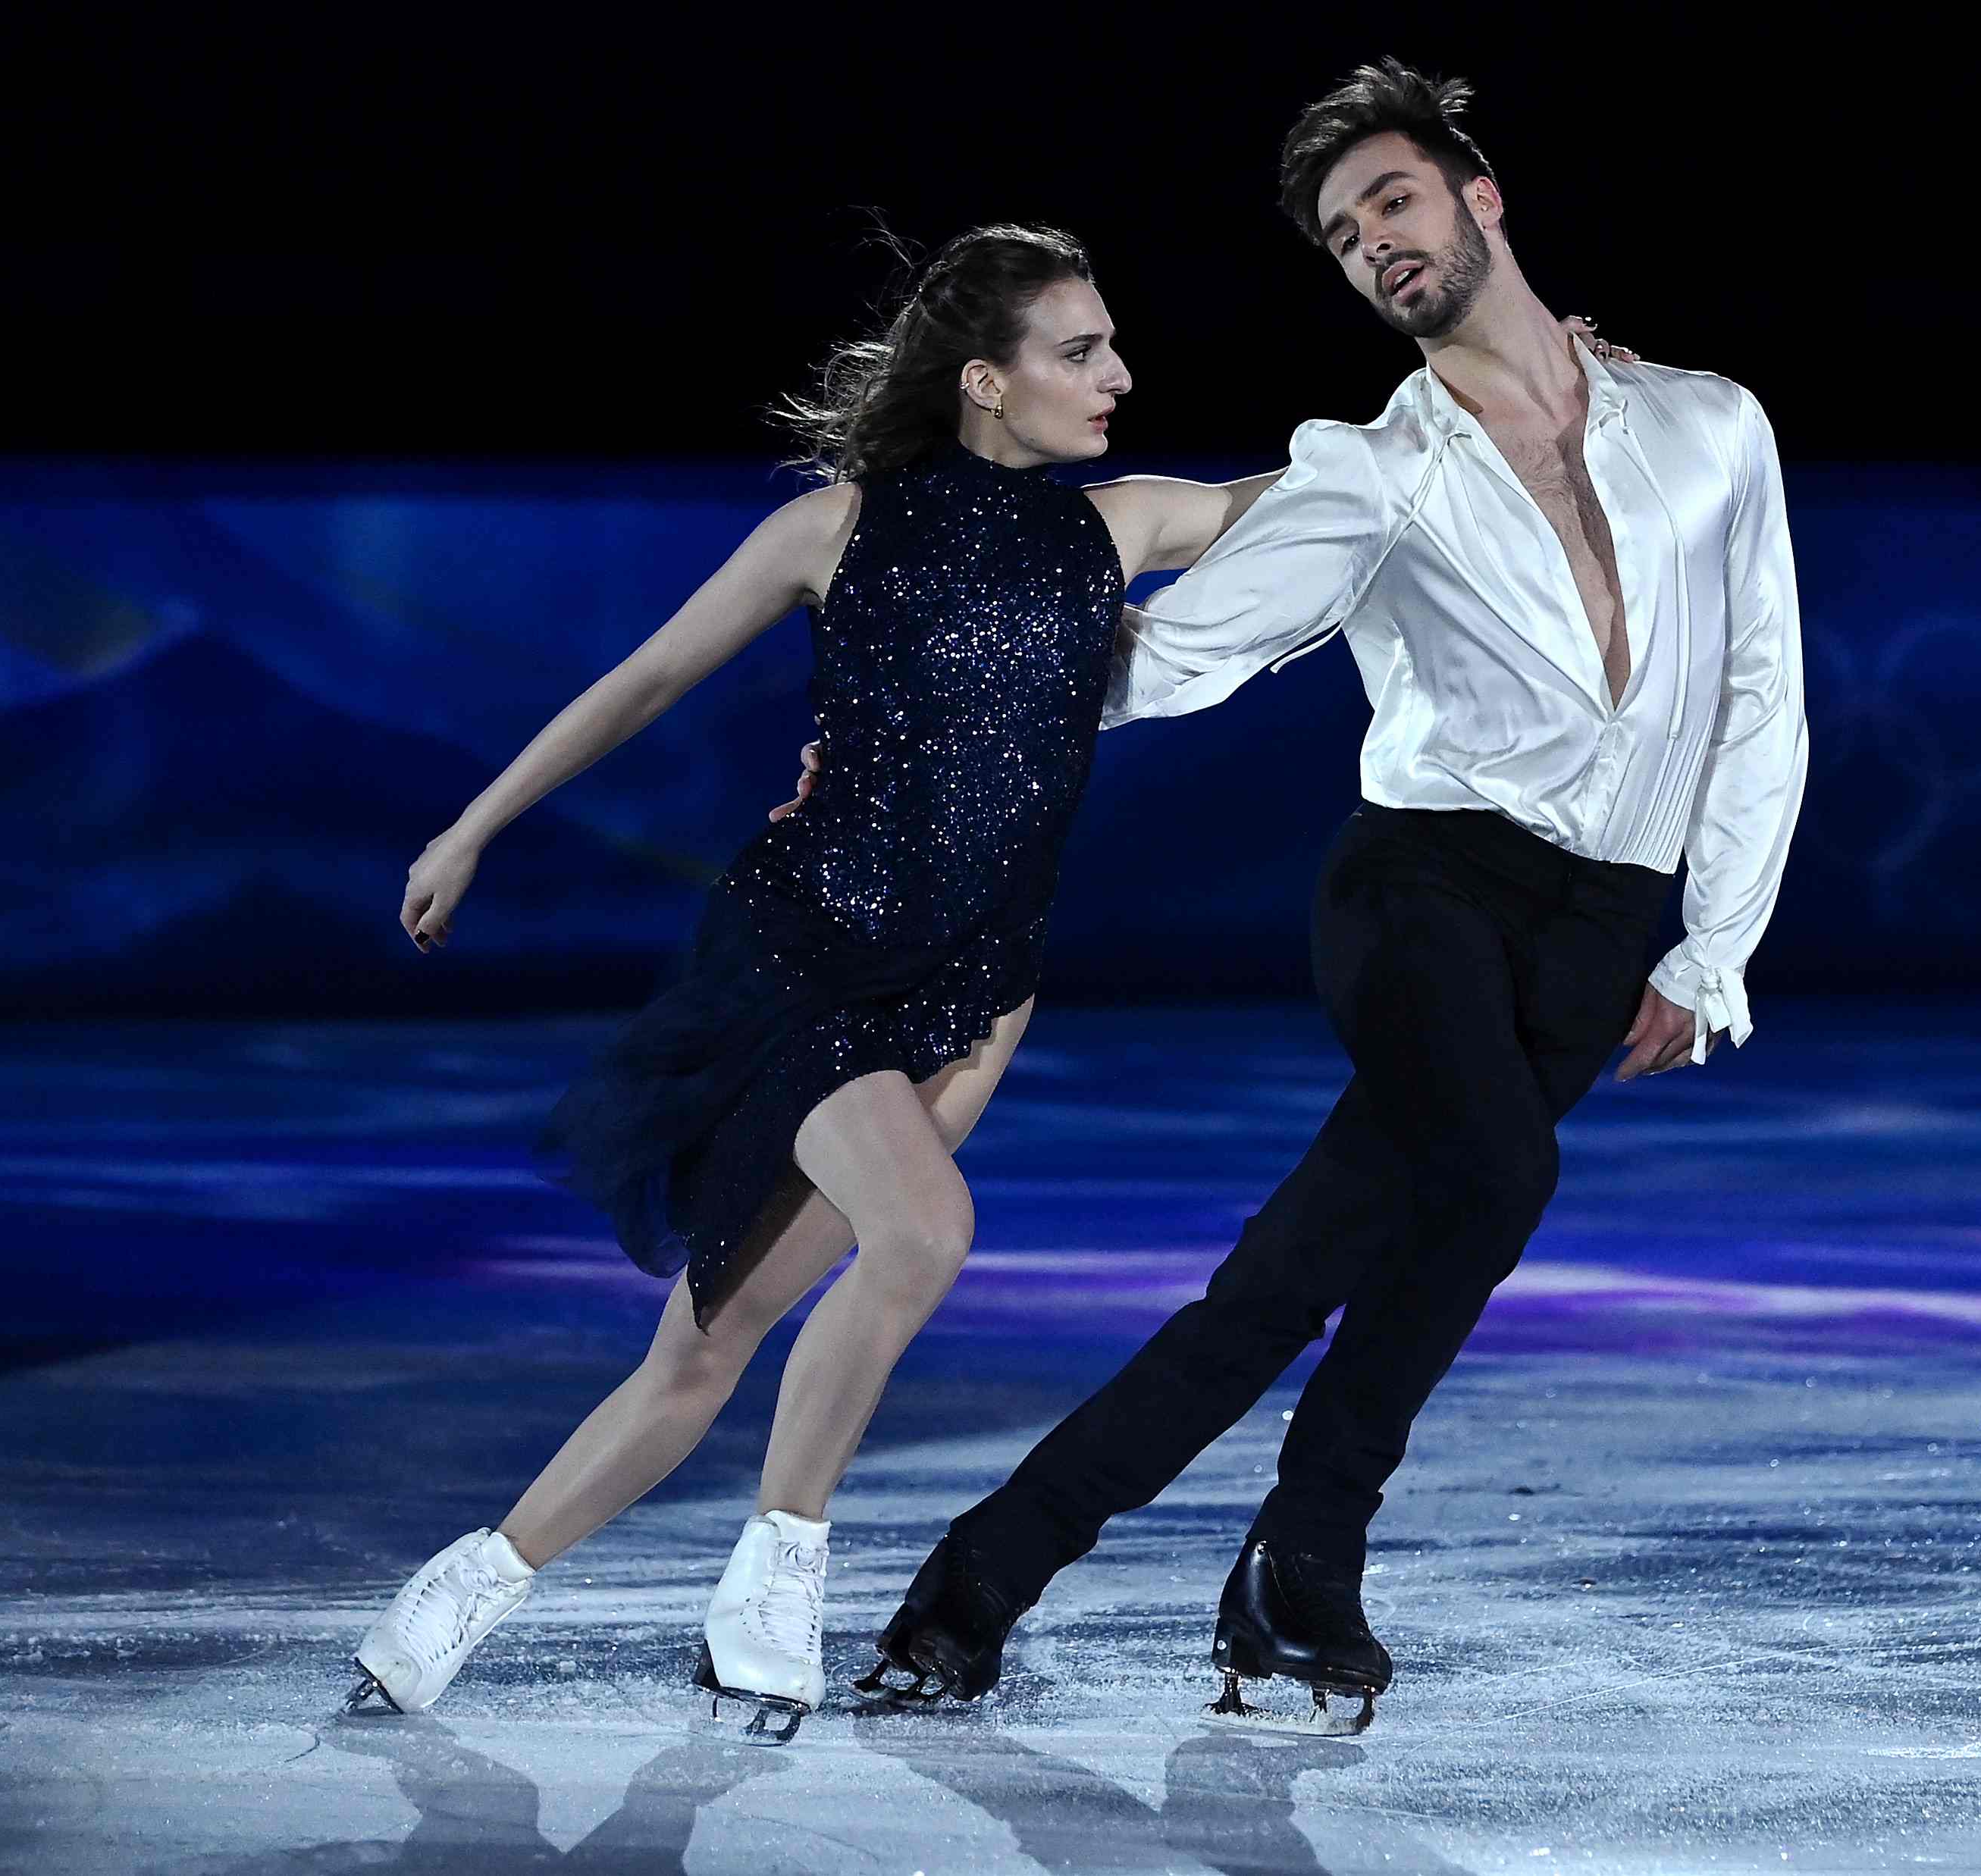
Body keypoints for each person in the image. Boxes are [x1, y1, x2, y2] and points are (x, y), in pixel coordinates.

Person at [344, 218, 1611, 1742]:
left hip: (976, 995)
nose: (1118, 374)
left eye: (1112, 345)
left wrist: (1503, 388)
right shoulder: (834, 530)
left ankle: (461, 1591)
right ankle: (778, 1573)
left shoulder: (1118, 526)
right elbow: (649, 677)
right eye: (1079, 351)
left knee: (704, 1348)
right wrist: (473, 827)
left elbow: (1333, 492)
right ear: (985, 381)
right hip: (810, 956)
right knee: (925, 1230)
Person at [858, 59, 1810, 1734]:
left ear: (1478, 197)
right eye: (1343, 235)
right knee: (1499, 1172)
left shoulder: (1710, 425)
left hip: (1602, 926)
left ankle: (991, 1573)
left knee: (1296, 1278)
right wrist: (941, 693)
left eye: (1393, 200)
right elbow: (1175, 657)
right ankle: (1304, 1555)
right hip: (1422, 891)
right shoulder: (1370, 471)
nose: (1374, 242)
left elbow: (1760, 690)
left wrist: (1711, 944)